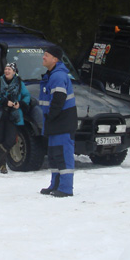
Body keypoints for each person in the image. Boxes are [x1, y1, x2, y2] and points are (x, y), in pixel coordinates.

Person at [38, 45, 77, 197]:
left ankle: (66, 188)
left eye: (46, 55)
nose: (43, 57)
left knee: (63, 155)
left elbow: (58, 99)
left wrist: (50, 116)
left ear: (55, 59)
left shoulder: (58, 76)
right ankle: (55, 185)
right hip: (55, 123)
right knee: (54, 156)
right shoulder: (52, 75)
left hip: (62, 123)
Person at [0, 62, 31, 173]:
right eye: (6, 69)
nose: (6, 71)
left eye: (9, 69)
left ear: (14, 72)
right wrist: (4, 102)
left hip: (13, 115)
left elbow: (27, 96)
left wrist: (20, 104)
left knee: (10, 140)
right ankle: (2, 165)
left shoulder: (19, 83)